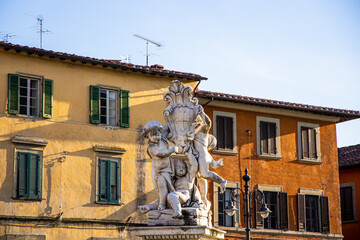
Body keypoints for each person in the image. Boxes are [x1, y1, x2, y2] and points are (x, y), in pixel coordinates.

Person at [140, 120, 178, 211]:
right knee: (161, 186)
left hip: (168, 169)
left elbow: (166, 128)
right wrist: (172, 150)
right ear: (148, 136)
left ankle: (161, 203)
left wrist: (171, 117)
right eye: (153, 136)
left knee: (165, 189)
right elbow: (162, 153)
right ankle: (162, 204)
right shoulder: (151, 147)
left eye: (158, 135)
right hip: (158, 172)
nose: (157, 138)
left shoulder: (163, 138)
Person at [192, 110, 227, 208]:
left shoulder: (203, 129)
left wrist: (202, 113)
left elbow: (208, 122)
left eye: (196, 119)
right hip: (198, 156)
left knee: (204, 174)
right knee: (200, 178)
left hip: (202, 156)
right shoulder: (194, 129)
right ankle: (203, 198)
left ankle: (221, 181)